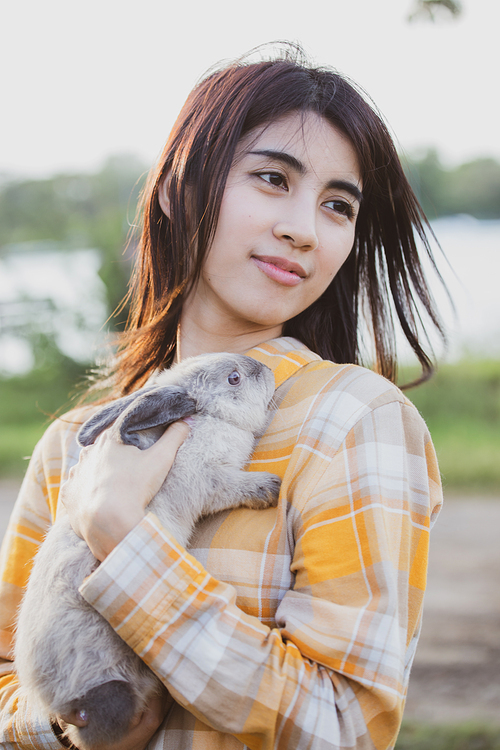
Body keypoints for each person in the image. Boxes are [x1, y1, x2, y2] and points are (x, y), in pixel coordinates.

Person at [0, 45, 444, 750]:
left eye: (337, 206)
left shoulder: (355, 420)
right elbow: (8, 682)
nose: (303, 228)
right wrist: (76, 725)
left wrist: (124, 537)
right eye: (272, 178)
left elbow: (343, 727)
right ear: (180, 187)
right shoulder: (74, 443)